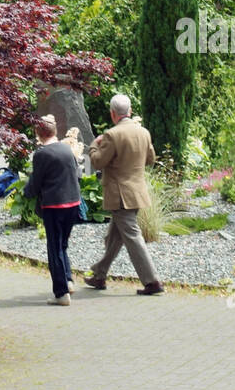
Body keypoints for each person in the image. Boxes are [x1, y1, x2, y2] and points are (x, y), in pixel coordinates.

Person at [84, 93, 164, 296]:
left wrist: (94, 144)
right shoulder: (144, 132)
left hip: (120, 195)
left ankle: (152, 281)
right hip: (137, 192)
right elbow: (150, 159)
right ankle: (99, 275)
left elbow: (98, 161)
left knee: (132, 237)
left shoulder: (112, 135)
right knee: (114, 237)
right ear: (129, 111)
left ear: (113, 114)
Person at [23, 114, 82, 305]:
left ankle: (61, 293)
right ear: (55, 131)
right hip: (73, 203)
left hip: (54, 206)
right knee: (62, 245)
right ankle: (68, 280)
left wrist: (26, 192)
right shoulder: (67, 148)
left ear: (38, 133)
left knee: (54, 248)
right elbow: (78, 174)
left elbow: (35, 183)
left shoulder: (41, 154)